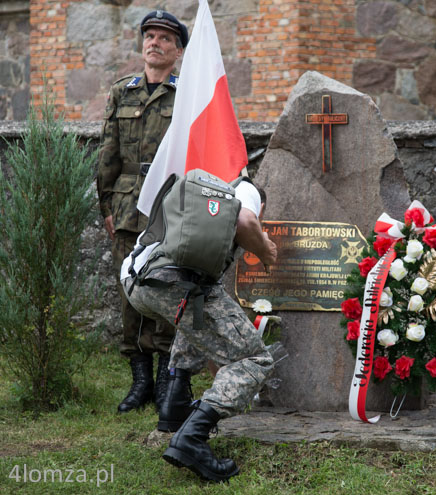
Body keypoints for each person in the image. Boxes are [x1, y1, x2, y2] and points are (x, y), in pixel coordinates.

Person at [121, 178, 277, 483]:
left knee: (198, 315)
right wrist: (266, 251)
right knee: (256, 360)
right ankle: (193, 438)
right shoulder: (247, 191)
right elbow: (246, 220)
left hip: (137, 281)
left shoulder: (203, 196)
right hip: (174, 281)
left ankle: (174, 409)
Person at [97, 10, 189, 413]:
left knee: (167, 288)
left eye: (165, 38)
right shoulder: (123, 92)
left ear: (178, 50)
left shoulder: (188, 92)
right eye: (150, 36)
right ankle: (140, 382)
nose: (155, 42)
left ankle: (169, 378)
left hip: (169, 207)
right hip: (127, 205)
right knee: (129, 291)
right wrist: (106, 206)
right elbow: (108, 154)